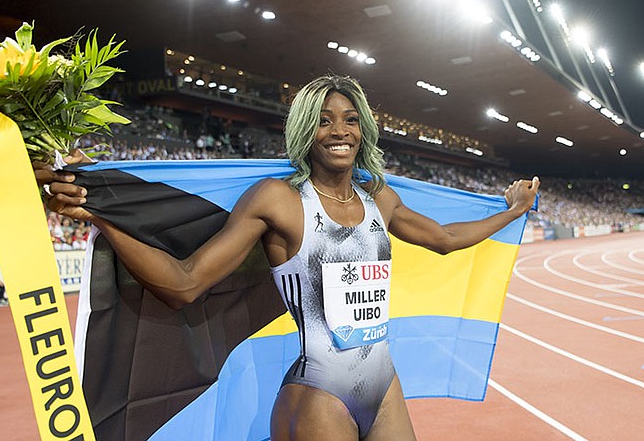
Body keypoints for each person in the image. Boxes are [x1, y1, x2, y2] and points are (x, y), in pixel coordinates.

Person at [42, 74, 540, 441]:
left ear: (363, 130)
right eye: (323, 121)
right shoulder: (278, 200)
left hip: (383, 385)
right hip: (319, 395)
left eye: (349, 120)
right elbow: (184, 284)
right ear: (306, 131)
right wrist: (102, 215)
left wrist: (512, 210)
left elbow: (446, 238)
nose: (339, 131)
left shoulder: (379, 199)